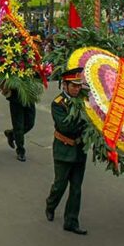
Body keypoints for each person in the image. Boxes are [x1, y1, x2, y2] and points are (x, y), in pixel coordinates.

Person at [45, 67, 89, 235]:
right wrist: (86, 120)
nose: (77, 89)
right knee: (60, 185)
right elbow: (66, 126)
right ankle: (51, 204)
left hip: (79, 150)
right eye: (73, 86)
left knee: (76, 188)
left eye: (79, 86)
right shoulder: (58, 104)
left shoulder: (83, 100)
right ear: (65, 85)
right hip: (64, 149)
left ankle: (71, 221)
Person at [2, 84, 36, 163]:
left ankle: (11, 134)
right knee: (18, 126)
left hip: (29, 96)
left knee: (30, 123)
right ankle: (20, 151)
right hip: (16, 98)